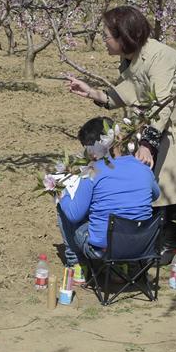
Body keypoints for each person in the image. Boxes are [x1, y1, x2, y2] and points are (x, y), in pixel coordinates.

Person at [65, 5, 176, 258]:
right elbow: (127, 91)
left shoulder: (158, 57)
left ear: (124, 36)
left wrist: (148, 143)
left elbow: (161, 104)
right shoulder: (134, 57)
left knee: (173, 174)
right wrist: (92, 93)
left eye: (106, 36)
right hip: (174, 118)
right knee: (166, 176)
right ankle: (173, 228)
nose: (104, 41)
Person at [57, 117, 161, 274]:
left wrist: (61, 194)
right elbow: (155, 195)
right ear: (119, 137)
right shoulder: (142, 167)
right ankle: (120, 269)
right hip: (142, 244)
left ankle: (76, 265)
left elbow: (73, 215)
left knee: (64, 206)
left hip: (104, 248)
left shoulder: (93, 171)